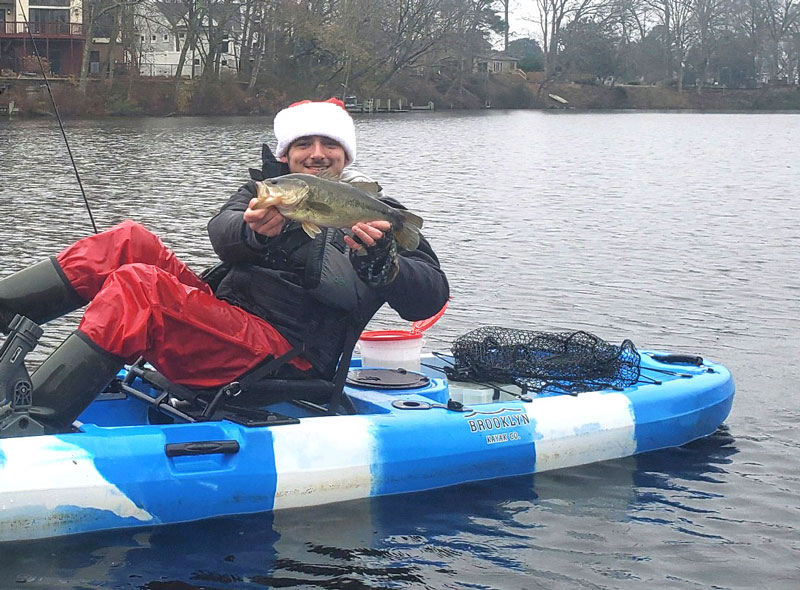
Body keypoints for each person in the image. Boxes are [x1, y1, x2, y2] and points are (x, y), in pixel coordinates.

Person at [0, 98, 449, 432]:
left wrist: (385, 266)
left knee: (141, 287)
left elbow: (431, 294)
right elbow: (223, 231)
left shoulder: (376, 211)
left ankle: (34, 425)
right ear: (286, 155)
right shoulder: (267, 190)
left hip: (285, 357)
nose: (317, 153)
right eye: (304, 144)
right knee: (126, 242)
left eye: (329, 144)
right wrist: (253, 231)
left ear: (345, 155)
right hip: (230, 320)